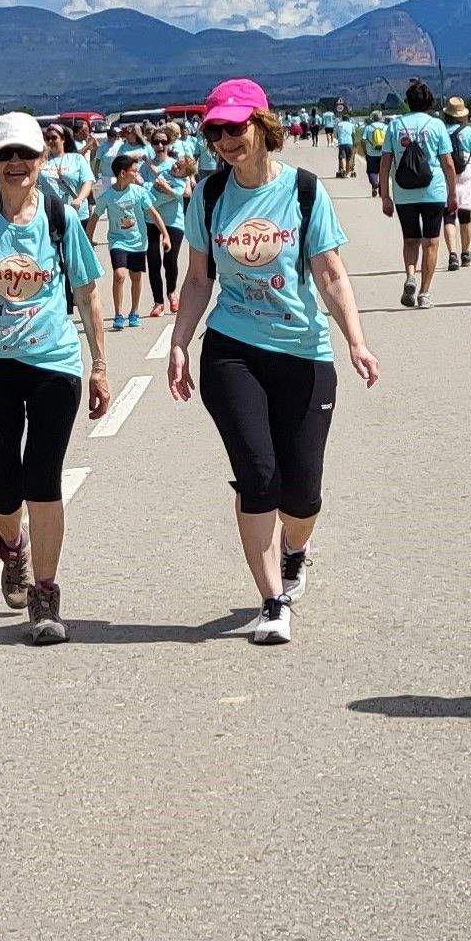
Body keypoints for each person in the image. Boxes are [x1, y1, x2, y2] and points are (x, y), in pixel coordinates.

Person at [166, 80, 381, 647]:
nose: (225, 140)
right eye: (215, 131)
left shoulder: (305, 192)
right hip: (232, 348)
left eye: (235, 128)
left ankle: (296, 546)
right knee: (258, 475)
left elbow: (331, 275)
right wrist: (180, 343)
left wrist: (355, 341)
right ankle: (272, 600)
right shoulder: (210, 195)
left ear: (262, 126)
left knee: (302, 493)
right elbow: (196, 278)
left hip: (303, 351)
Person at [0, 113, 110, 644]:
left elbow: (86, 293)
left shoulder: (58, 217)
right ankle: (12, 543)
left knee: (43, 479)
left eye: (25, 155)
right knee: (0, 488)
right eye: (4, 155)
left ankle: (44, 593)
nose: (15, 164)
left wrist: (101, 366)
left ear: (41, 160)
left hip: (53, 364)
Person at [380, 78, 460, 309]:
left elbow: (385, 164)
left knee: (410, 239)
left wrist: (386, 197)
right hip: (432, 192)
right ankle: (424, 293)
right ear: (429, 102)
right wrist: (452, 193)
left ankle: (410, 276)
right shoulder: (436, 126)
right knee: (431, 243)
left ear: (408, 101)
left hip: (404, 193)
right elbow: (447, 163)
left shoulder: (395, 126)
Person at [99, 151, 164, 331]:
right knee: (119, 275)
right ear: (122, 173)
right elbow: (94, 218)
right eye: (134, 171)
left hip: (137, 241)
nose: (137, 175)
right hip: (117, 241)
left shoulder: (139, 192)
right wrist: (88, 240)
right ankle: (118, 314)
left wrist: (165, 234)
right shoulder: (107, 196)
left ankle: (134, 312)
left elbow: (153, 214)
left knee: (136, 277)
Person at [151, 141, 199, 316]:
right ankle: (158, 302)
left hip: (173, 224)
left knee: (169, 260)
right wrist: (156, 186)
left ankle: (172, 292)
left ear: (185, 174)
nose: (176, 167)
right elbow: (151, 191)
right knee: (153, 261)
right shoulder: (164, 173)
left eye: (180, 168)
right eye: (176, 163)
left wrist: (166, 188)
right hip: (152, 221)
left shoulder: (180, 183)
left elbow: (181, 195)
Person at [442, 98, 471, 272]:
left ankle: (452, 254)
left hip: (446, 176)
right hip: (466, 175)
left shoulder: (441, 131)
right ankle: (465, 253)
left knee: (449, 216)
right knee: (465, 216)